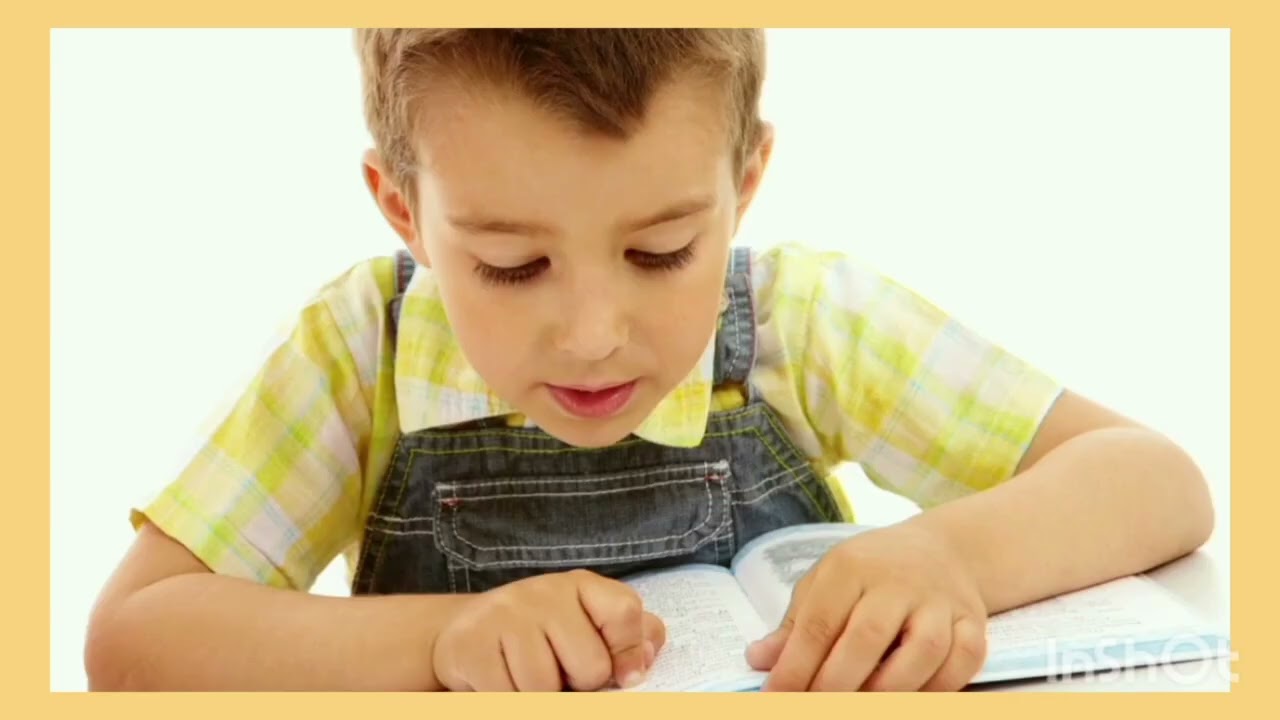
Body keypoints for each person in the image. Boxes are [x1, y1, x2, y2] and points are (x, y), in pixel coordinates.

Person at [83, 29, 1215, 692]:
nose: (590, 334)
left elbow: (1152, 480)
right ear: (405, 212)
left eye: (660, 250)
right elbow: (134, 639)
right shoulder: (358, 349)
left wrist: (946, 556)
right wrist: (443, 642)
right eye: (513, 265)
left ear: (745, 183)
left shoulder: (798, 321)